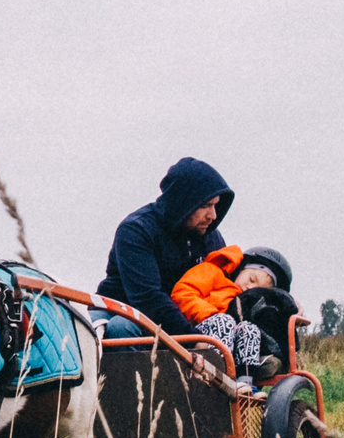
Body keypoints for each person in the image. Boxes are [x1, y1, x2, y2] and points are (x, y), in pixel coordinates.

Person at [96, 158, 235, 339]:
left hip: (185, 319)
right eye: (205, 206)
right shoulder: (137, 230)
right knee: (122, 326)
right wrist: (194, 339)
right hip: (127, 312)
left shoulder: (211, 237)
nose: (213, 215)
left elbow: (222, 289)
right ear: (183, 203)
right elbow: (148, 298)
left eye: (216, 205)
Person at [169, 244, 296, 389]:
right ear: (241, 269)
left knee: (249, 328)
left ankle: (245, 384)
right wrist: (212, 314)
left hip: (228, 343)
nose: (249, 287)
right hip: (196, 331)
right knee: (225, 321)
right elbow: (182, 293)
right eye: (251, 279)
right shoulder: (212, 271)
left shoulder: (243, 299)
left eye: (256, 288)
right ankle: (216, 380)